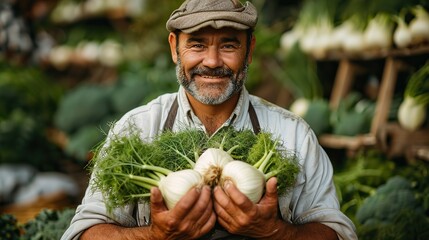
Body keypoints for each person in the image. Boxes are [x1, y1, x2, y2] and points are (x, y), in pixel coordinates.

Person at [61, 0, 358, 239]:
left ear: (249, 51)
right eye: (198, 45)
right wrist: (154, 234)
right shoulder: (137, 129)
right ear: (174, 48)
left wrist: (275, 232)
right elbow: (84, 232)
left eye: (228, 45)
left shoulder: (293, 135)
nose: (213, 61)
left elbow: (338, 232)